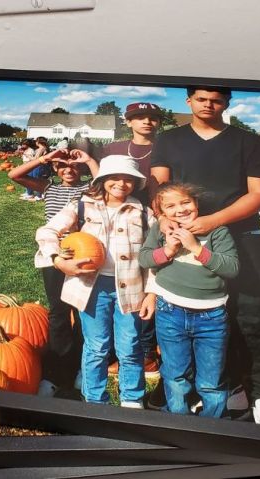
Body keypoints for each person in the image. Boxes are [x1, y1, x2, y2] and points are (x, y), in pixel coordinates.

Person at [150, 86, 260, 425]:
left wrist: (212, 221)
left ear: (226, 103)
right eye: (201, 99)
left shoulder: (248, 142)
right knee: (195, 315)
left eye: (216, 100)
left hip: (242, 234)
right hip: (183, 237)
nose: (208, 105)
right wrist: (164, 217)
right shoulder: (169, 140)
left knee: (253, 315)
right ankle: (217, 386)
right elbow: (159, 185)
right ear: (189, 101)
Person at [36, 155, 156, 407]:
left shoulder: (144, 213)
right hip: (92, 288)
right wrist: (58, 259)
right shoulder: (81, 206)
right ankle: (93, 400)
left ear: (135, 183)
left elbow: (154, 256)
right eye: (114, 177)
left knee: (130, 347)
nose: (121, 184)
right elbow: (46, 231)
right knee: (96, 346)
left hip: (132, 289)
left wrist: (152, 292)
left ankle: (132, 400)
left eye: (128, 179)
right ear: (102, 180)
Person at [139, 182, 239, 417]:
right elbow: (144, 259)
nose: (180, 209)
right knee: (175, 375)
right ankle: (178, 421)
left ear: (196, 204)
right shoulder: (161, 230)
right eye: (171, 206)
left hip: (211, 316)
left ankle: (210, 426)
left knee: (211, 380)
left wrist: (196, 248)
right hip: (170, 310)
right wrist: (169, 251)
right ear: (162, 212)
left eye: (186, 202)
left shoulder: (216, 231)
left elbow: (232, 268)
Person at [10, 148, 99, 398]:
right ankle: (58, 369)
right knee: (59, 311)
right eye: (62, 167)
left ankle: (83, 365)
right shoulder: (48, 187)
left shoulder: (91, 188)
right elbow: (13, 175)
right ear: (55, 169)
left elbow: (104, 180)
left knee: (84, 311)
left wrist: (89, 161)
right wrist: (44, 159)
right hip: (55, 255)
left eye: (73, 167)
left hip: (84, 253)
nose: (68, 170)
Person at [99, 101, 164, 380]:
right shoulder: (113, 148)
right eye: (139, 117)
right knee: (116, 287)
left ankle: (147, 352)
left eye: (152, 118)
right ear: (128, 121)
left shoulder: (166, 147)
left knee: (144, 282)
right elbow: (103, 179)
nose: (146, 122)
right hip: (117, 218)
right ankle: (114, 351)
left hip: (151, 217)